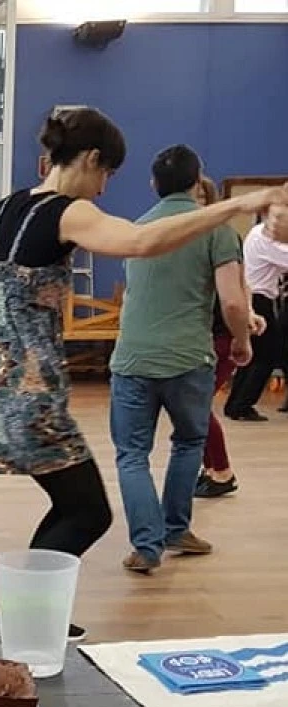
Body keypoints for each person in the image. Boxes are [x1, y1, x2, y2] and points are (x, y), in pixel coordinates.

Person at [0, 107, 287, 641]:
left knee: (75, 505)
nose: (103, 189)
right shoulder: (66, 211)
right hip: (31, 392)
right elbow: (144, 242)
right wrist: (237, 205)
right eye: (107, 175)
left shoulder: (8, 207)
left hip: (4, 385)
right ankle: (8, 619)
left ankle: (23, 614)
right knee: (89, 512)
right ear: (92, 159)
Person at [109, 147, 253, 572]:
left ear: (154, 184)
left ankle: (147, 547)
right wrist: (242, 340)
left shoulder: (138, 229)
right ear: (197, 182)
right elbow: (231, 302)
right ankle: (175, 530)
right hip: (189, 358)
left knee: (132, 454)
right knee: (189, 442)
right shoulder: (218, 231)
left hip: (132, 357)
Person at [193, 176, 264, 500]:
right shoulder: (181, 237)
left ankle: (221, 471)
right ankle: (212, 469)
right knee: (193, 407)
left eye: (200, 197)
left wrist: (247, 315)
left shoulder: (222, 236)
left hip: (219, 337)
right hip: (196, 335)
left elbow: (240, 283)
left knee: (195, 406)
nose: (195, 203)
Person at [224, 206, 288, 422]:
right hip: (259, 300)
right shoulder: (266, 237)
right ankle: (242, 405)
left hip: (255, 298)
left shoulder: (256, 232)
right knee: (268, 354)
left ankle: (235, 404)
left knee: (255, 356)